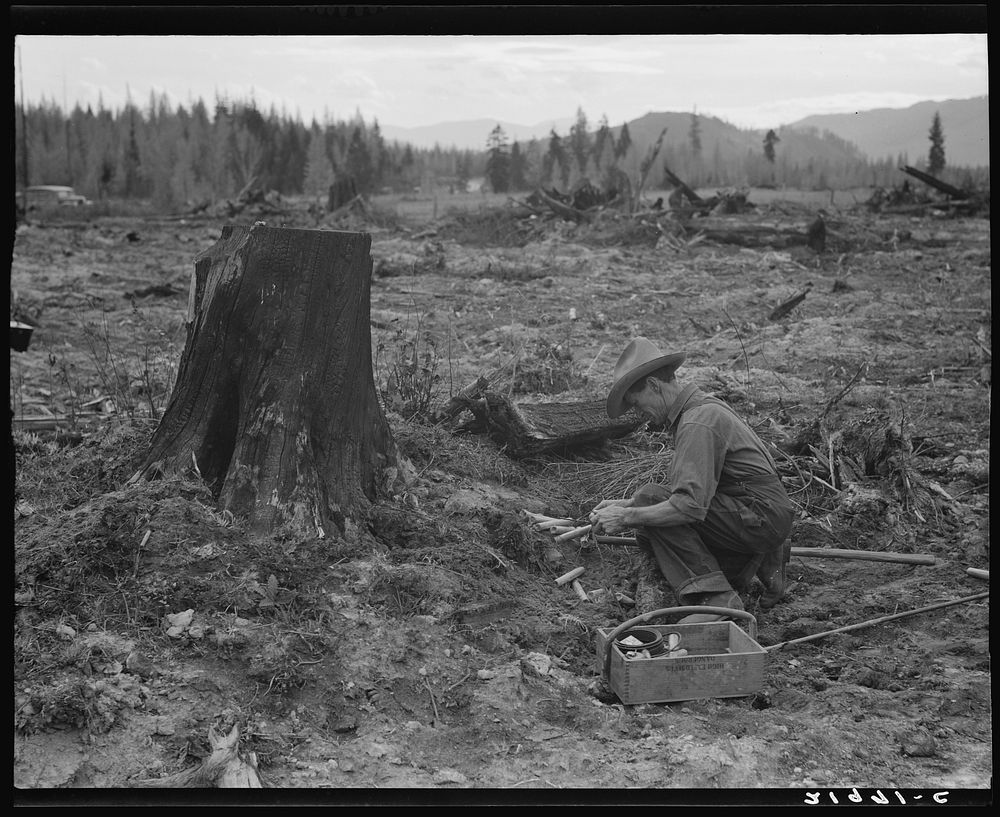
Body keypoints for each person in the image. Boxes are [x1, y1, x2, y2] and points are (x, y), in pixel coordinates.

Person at [589, 337, 794, 624]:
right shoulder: (702, 408)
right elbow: (706, 487)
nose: (639, 415)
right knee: (648, 509)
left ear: (653, 386)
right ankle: (757, 561)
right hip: (760, 512)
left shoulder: (697, 421)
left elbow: (689, 506)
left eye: (637, 404)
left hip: (758, 516)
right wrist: (628, 504)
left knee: (651, 502)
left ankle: (717, 598)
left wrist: (627, 516)